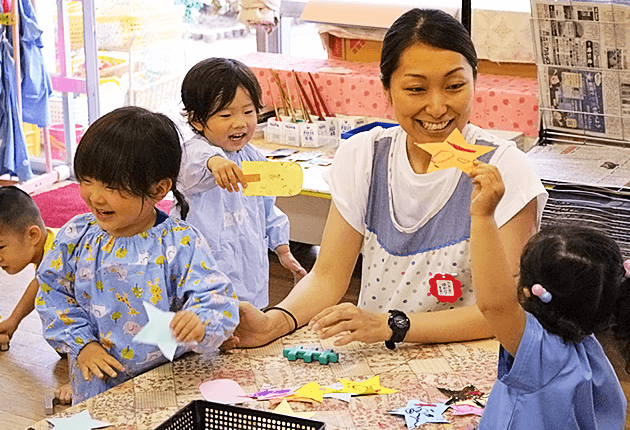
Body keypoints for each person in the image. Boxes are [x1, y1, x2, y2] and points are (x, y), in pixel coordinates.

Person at [224, 8, 548, 349]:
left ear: (475, 82)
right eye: (416, 89)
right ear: (387, 90)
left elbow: (506, 309)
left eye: (454, 86)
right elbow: (328, 276)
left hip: (468, 374)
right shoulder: (365, 155)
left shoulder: (504, 168)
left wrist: (394, 325)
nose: (437, 107)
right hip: (380, 362)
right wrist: (275, 322)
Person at [35, 106, 239, 404]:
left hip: (168, 384)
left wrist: (199, 320)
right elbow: (52, 292)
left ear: (159, 190)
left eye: (112, 186)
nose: (95, 196)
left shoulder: (180, 242)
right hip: (97, 382)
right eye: (87, 180)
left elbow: (215, 296)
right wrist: (83, 345)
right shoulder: (76, 235)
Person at [469, 160, 628, 429]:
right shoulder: (594, 349)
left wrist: (482, 216)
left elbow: (494, 304)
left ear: (527, 291)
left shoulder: (541, 353)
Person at [174, 57, 307, 309]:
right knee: (208, 322)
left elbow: (267, 208)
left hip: (249, 264)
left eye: (248, 112)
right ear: (196, 120)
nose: (240, 123)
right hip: (206, 266)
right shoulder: (193, 153)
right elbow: (191, 168)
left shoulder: (253, 156)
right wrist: (215, 162)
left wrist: (282, 249)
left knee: (250, 318)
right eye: (226, 114)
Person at [0, 186, 74, 403]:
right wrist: (13, 321)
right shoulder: (48, 244)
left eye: (1, 247)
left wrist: (78, 378)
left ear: (33, 235)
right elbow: (39, 283)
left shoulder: (61, 258)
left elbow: (86, 315)